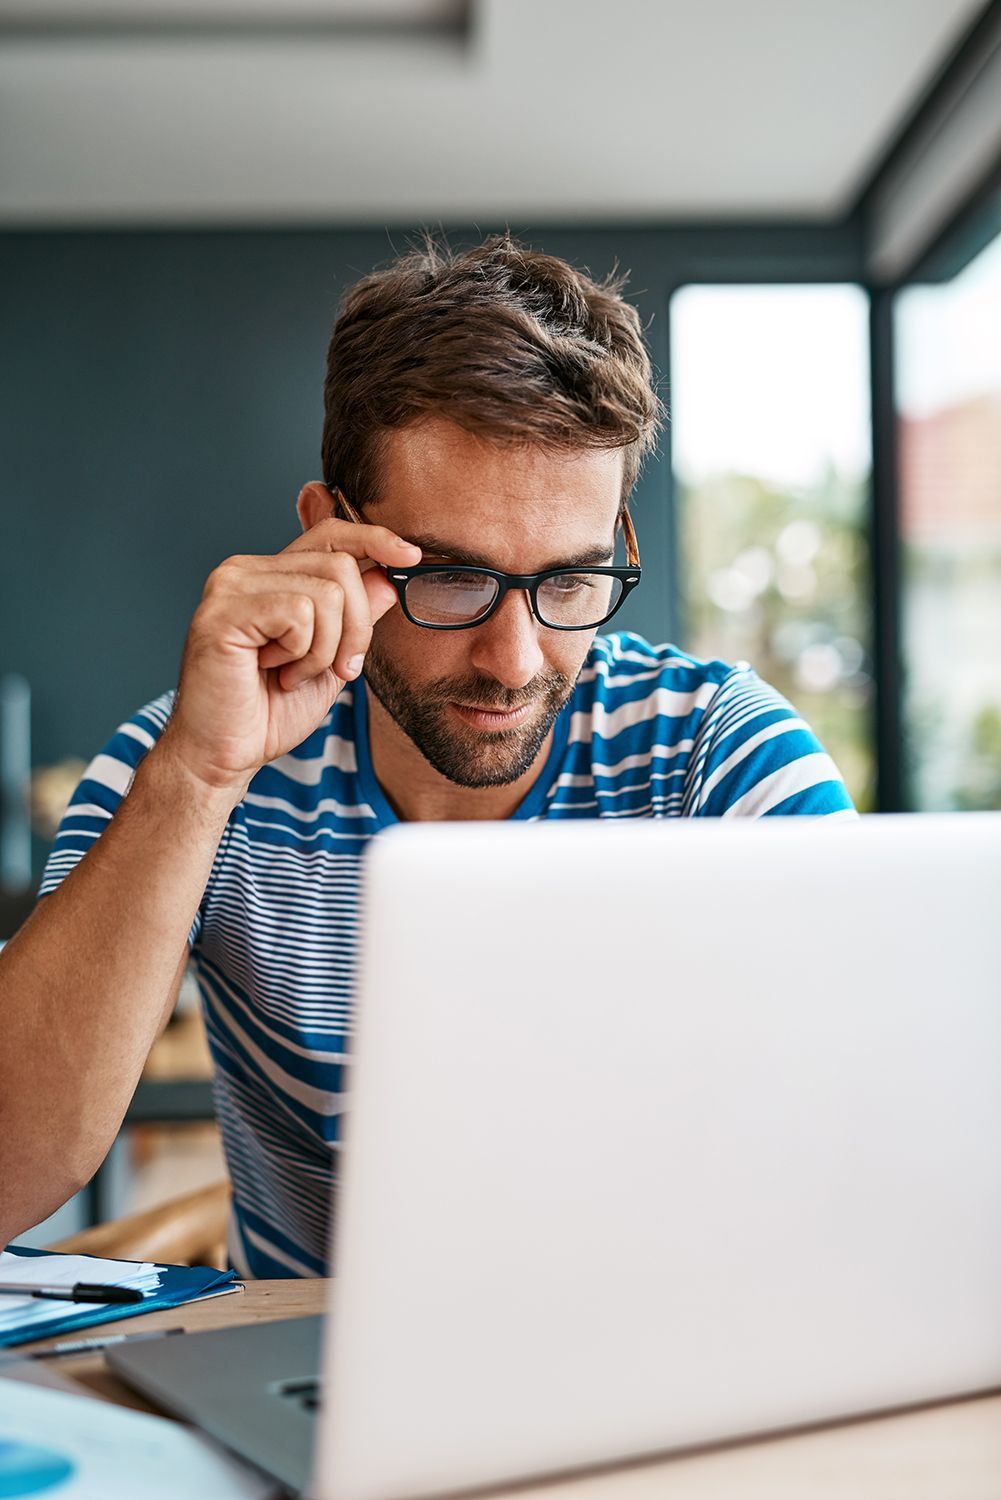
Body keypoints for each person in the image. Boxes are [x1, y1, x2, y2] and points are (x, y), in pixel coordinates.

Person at [0, 236, 855, 1272]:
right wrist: (197, 777)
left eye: (568, 583)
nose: (513, 659)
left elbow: (882, 1143)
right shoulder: (186, 765)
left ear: (618, 543)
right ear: (329, 536)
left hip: (672, 1376)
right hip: (313, 1381)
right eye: (450, 580)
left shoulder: (712, 754)